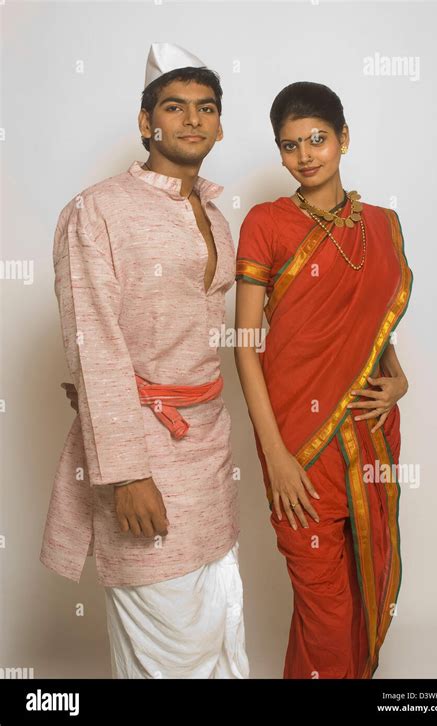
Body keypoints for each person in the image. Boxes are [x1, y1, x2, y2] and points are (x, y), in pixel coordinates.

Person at [40, 42, 249, 679]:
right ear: (145, 123)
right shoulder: (96, 210)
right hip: (143, 455)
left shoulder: (216, 212)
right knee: (168, 643)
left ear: (219, 122)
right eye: (174, 107)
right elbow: (96, 347)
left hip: (209, 448)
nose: (192, 119)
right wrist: (126, 475)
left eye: (206, 108)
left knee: (220, 626)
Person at [234, 81, 413, 679]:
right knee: (326, 609)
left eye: (317, 140)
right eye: (290, 146)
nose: (305, 155)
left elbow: (372, 329)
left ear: (343, 139)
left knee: (358, 594)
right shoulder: (265, 222)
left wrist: (399, 380)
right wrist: (276, 456)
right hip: (297, 445)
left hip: (367, 432)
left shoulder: (383, 226)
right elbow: (244, 347)